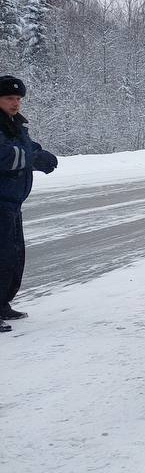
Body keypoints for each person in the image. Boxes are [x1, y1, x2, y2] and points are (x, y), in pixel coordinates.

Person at [0, 75, 57, 333]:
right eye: (9, 98)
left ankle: (2, 304)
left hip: (12, 203)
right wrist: (32, 158)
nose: (15, 103)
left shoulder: (15, 124)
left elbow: (24, 147)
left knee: (12, 257)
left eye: (18, 98)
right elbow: (4, 155)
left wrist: (40, 153)